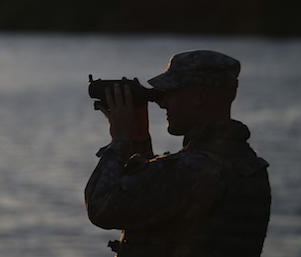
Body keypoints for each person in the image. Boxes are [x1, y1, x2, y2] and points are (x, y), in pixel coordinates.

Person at [85, 50, 271, 257]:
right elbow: (154, 202)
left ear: (199, 97)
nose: (163, 102)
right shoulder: (250, 167)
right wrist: (138, 139)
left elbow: (101, 207)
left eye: (170, 93)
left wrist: (119, 141)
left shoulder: (193, 168)